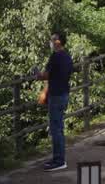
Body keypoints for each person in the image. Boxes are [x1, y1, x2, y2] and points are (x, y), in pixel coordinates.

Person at [39, 31, 74, 172]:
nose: (51, 42)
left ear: (58, 42)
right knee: (58, 128)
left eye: (53, 39)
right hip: (64, 93)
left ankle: (59, 160)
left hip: (56, 95)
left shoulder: (55, 56)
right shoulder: (67, 56)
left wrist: (37, 75)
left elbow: (45, 75)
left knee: (56, 129)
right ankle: (57, 158)